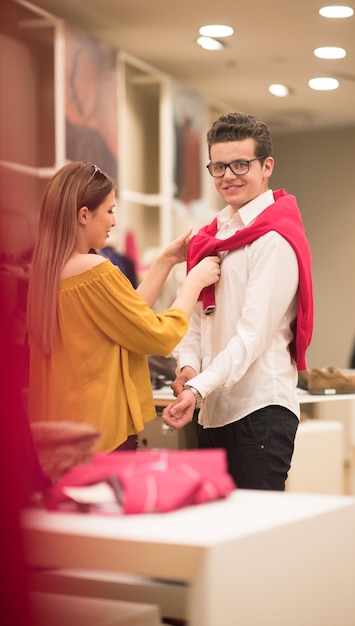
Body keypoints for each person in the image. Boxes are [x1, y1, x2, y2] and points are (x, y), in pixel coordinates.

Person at [162, 112, 314, 490]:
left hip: (259, 409)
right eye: (218, 166)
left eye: (240, 164)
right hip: (213, 410)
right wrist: (187, 367)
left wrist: (199, 388)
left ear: (266, 167)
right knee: (217, 535)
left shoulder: (273, 239)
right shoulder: (213, 235)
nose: (228, 175)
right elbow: (198, 320)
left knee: (257, 541)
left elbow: (252, 336)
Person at [26, 161, 220, 452]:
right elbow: (156, 334)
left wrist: (165, 261)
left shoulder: (48, 273)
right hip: (100, 435)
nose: (114, 222)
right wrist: (194, 281)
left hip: (62, 436)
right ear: (83, 215)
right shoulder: (94, 270)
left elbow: (127, 318)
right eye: (110, 211)